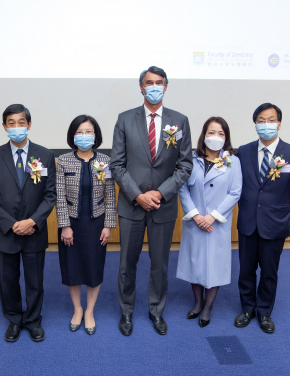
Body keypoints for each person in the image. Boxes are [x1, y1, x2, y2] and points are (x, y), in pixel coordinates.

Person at [110, 66, 193, 336]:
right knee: (127, 264)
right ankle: (126, 312)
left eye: (159, 82)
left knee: (160, 264)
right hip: (131, 205)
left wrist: (159, 193)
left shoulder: (179, 121)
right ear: (141, 86)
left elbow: (184, 166)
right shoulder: (125, 119)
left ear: (166, 87)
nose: (154, 86)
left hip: (163, 206)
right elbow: (117, 165)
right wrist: (138, 195)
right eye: (149, 82)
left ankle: (156, 311)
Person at [0, 104, 56, 342]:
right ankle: (14, 319)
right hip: (7, 232)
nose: (16, 127)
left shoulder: (44, 155)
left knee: (35, 280)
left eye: (21, 122)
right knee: (8, 282)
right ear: (4, 127)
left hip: (34, 231)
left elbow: (50, 195)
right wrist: (13, 224)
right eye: (11, 123)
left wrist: (32, 221)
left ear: (29, 125)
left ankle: (33, 320)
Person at [235, 103, 290, 334]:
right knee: (245, 270)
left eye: (271, 120)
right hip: (247, 221)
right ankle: (247, 308)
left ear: (279, 123)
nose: (267, 124)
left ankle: (264, 311)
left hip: (275, 224)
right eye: (261, 120)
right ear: (255, 124)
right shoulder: (243, 152)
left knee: (269, 271)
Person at [176, 117, 242, 328]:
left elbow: (235, 192)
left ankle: (208, 306)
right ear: (204, 135)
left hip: (217, 223)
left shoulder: (233, 161)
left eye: (221, 134)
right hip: (194, 221)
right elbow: (182, 188)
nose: (216, 137)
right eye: (211, 132)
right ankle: (197, 302)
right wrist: (196, 215)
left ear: (226, 138)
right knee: (195, 263)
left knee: (214, 264)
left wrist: (212, 216)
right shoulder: (191, 158)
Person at [56, 115, 117, 335]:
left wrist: (108, 224)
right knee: (72, 268)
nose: (84, 136)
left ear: (96, 135)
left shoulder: (105, 161)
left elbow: (110, 194)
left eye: (88, 131)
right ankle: (77, 309)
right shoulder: (63, 160)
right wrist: (64, 225)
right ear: (73, 135)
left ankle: (90, 311)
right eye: (80, 132)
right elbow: (59, 196)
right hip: (71, 224)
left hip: (96, 223)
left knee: (93, 267)